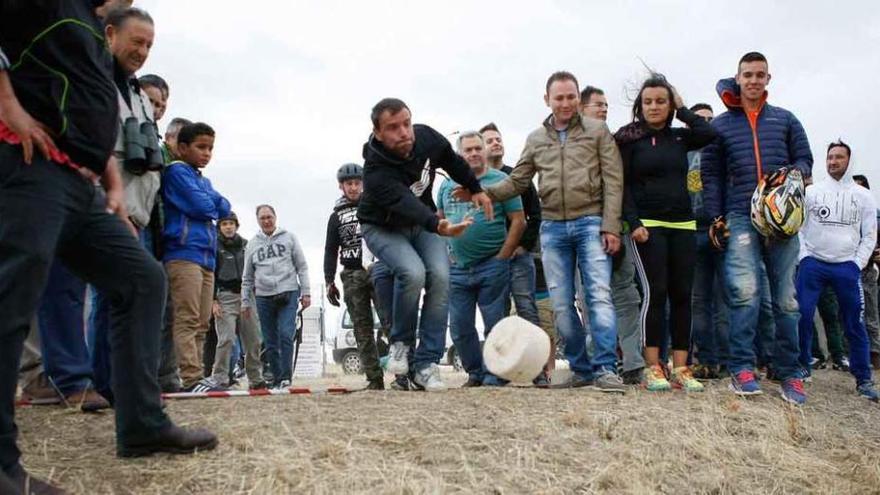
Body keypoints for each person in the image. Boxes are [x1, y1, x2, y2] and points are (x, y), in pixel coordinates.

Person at [0, 2, 216, 491]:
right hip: (27, 161)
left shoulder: (91, 28)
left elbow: (93, 107)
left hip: (82, 182)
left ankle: (141, 425)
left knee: (141, 279)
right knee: (14, 293)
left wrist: (111, 177)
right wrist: (8, 105)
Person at [467, 71, 626, 392]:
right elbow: (518, 181)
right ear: (547, 100)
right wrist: (480, 191)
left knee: (597, 295)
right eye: (559, 98)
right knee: (561, 303)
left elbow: (614, 179)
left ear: (578, 99)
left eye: (571, 97)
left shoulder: (597, 131)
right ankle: (581, 370)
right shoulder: (536, 139)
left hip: (592, 222)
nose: (565, 103)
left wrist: (611, 225)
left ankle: (606, 367)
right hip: (553, 228)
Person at [358, 98, 493, 392]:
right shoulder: (375, 172)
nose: (404, 132)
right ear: (378, 132)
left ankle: (426, 364)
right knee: (412, 272)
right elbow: (405, 202)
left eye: (406, 123)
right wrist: (438, 224)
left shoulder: (426, 137)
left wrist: (475, 188)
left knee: (441, 276)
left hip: (421, 223)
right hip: (382, 227)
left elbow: (452, 160)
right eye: (393, 128)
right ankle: (401, 344)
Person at [701, 51, 813, 404]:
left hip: (782, 221)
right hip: (739, 215)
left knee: (786, 300)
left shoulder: (786, 120)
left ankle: (790, 372)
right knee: (745, 294)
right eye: (747, 74)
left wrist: (788, 180)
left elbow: (805, 161)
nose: (753, 80)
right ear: (738, 78)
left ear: (768, 79)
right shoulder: (720, 125)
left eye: (759, 74)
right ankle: (742, 367)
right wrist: (716, 216)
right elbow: (710, 174)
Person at [615, 75, 716, 392]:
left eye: (661, 101)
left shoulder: (679, 137)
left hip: (684, 225)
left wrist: (684, 108)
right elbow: (624, 186)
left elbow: (709, 132)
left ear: (670, 104)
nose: (654, 107)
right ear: (640, 106)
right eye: (648, 102)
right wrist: (634, 223)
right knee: (655, 293)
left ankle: (682, 367)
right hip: (648, 226)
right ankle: (653, 367)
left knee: (682, 295)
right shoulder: (630, 140)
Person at [438, 131, 525, 387]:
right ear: (459, 155)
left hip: (492, 265)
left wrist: (502, 257)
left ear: (485, 151)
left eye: (478, 148)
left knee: (494, 325)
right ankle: (475, 373)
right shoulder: (445, 185)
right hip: (456, 269)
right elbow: (439, 221)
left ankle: (495, 374)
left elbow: (518, 222)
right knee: (460, 326)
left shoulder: (501, 181)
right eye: (468, 150)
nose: (474, 153)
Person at [796, 141, 878, 400]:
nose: (833, 162)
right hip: (813, 264)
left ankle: (863, 379)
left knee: (854, 322)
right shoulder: (811, 192)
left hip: (846, 267)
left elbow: (869, 235)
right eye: (830, 157)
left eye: (839, 157)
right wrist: (804, 256)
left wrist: (857, 263)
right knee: (803, 315)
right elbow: (798, 226)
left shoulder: (863, 195)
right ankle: (801, 367)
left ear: (849, 160)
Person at [579, 84, 646, 385]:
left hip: (620, 231)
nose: (604, 109)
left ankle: (633, 362)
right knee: (593, 298)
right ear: (582, 109)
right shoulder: (570, 147)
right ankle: (598, 364)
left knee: (627, 296)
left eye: (606, 105)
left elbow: (624, 187)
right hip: (585, 233)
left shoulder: (619, 144)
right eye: (597, 104)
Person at [162, 122, 231, 393]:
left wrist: (209, 202)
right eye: (201, 147)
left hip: (206, 257)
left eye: (210, 148)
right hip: (183, 253)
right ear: (182, 148)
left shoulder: (203, 180)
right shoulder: (176, 172)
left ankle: (197, 375)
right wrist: (208, 202)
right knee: (187, 318)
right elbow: (205, 205)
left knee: (203, 323)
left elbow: (224, 206)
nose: (207, 153)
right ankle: (189, 376)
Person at [479, 122, 547, 384]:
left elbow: (536, 214)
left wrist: (524, 245)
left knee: (527, 309)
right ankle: (499, 373)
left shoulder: (518, 177)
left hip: (519, 258)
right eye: (490, 140)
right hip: (490, 260)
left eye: (499, 139)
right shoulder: (476, 183)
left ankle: (539, 372)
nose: (496, 143)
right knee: (496, 314)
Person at [324, 163, 385, 390]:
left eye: (357, 183)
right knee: (361, 326)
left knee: (389, 320)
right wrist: (329, 280)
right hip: (351, 274)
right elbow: (330, 249)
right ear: (341, 186)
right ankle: (374, 378)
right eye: (348, 184)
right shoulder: (336, 216)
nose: (353, 187)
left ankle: (402, 374)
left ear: (363, 184)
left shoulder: (374, 206)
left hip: (377, 269)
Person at [241, 205, 311, 388]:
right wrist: (245, 302)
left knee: (286, 334)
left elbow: (302, 266)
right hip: (263, 296)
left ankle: (286, 377)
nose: (266, 221)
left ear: (275, 217)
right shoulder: (252, 244)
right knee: (270, 340)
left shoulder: (289, 238)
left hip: (288, 292)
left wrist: (306, 292)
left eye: (269, 217)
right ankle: (277, 377)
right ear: (258, 220)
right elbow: (247, 277)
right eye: (262, 218)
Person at [212, 212, 267, 389]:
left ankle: (255, 378)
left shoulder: (247, 245)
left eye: (231, 223)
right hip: (225, 296)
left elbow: (257, 269)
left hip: (247, 296)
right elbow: (210, 274)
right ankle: (220, 378)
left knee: (254, 339)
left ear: (236, 226)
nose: (228, 227)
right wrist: (213, 300)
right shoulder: (214, 246)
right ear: (219, 227)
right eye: (224, 224)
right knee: (226, 338)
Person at [852, 174, 880, 369]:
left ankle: (875, 354)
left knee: (870, 314)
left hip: (867, 271)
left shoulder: (875, 215)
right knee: (851, 314)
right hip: (848, 271)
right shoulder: (844, 214)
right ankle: (850, 354)